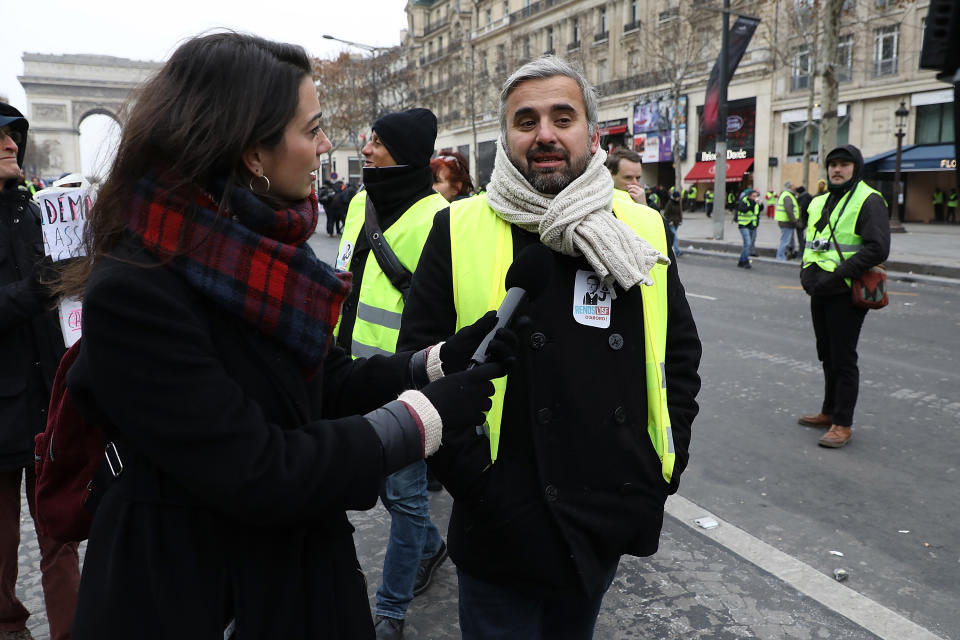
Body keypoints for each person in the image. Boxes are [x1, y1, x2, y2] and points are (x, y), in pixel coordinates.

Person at [53, 33, 514, 639]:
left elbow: (320, 381)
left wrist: (432, 363)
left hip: (288, 574)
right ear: (253, 153)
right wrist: (424, 419)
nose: (327, 145)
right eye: (313, 128)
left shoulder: (258, 254)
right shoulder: (135, 291)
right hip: (200, 595)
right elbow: (257, 467)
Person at [397, 56, 702, 640]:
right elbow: (422, 361)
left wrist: (664, 462)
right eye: (526, 120)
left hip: (605, 505)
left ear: (592, 134)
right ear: (505, 136)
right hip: (501, 511)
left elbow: (678, 354)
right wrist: (475, 483)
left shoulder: (640, 228)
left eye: (563, 118)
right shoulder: (459, 225)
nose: (544, 134)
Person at [335, 107, 451, 640]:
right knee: (380, 487)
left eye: (376, 142)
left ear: (402, 151)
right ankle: (431, 546)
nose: (366, 149)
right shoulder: (360, 201)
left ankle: (391, 612)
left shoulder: (439, 218)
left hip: (405, 382)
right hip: (347, 376)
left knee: (403, 498)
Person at [1, 103, 81, 640]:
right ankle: (8, 626)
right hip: (0, 402)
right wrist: (37, 289)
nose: (11, 145)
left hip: (50, 395)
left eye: (14, 137)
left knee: (61, 531)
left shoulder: (37, 212)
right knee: (2, 540)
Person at [799, 144, 890, 448]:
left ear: (856, 167)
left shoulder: (868, 199)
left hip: (845, 290)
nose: (837, 169)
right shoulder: (820, 201)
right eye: (833, 164)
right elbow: (812, 241)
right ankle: (828, 412)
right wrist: (806, 273)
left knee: (843, 358)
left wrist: (839, 274)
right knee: (826, 353)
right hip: (820, 288)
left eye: (844, 164)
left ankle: (843, 423)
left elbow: (877, 247)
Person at [736, 189, 762, 268]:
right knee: (748, 243)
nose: (755, 197)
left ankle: (741, 261)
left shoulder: (755, 203)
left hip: (752, 225)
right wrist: (753, 204)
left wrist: (760, 204)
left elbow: (758, 211)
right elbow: (743, 210)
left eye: (756, 196)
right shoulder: (743, 201)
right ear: (749, 196)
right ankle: (746, 261)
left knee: (747, 244)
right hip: (743, 225)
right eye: (754, 196)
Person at [775, 181, 799, 261]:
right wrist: (794, 221)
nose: (795, 186)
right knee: (785, 241)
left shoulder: (788, 195)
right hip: (787, 222)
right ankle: (780, 257)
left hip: (786, 221)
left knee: (787, 240)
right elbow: (789, 210)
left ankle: (785, 255)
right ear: (789, 187)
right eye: (793, 185)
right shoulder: (787, 196)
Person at [663, 189, 682, 257]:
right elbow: (665, 214)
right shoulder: (670, 203)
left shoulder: (678, 203)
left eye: (679, 197)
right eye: (677, 197)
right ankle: (677, 252)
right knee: (675, 237)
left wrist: (680, 220)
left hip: (676, 223)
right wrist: (669, 221)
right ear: (674, 197)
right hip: (671, 223)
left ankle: (668, 249)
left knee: (672, 237)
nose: (678, 198)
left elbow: (679, 213)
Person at [795, 184, 812, 253]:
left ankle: (801, 252)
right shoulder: (809, 197)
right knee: (805, 237)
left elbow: (801, 209)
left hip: (802, 220)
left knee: (800, 237)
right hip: (808, 220)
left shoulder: (802, 198)